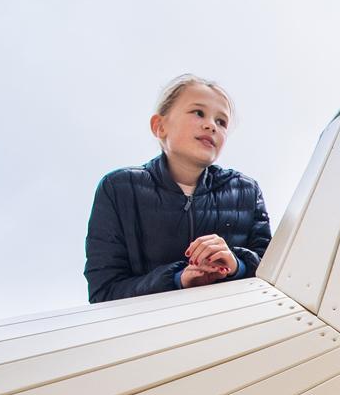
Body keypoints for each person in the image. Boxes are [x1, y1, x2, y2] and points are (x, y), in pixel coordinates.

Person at [84, 74, 271, 302]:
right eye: (198, 113)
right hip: (155, 334)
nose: (211, 125)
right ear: (160, 126)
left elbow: (274, 277)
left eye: (221, 122)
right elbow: (104, 292)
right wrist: (177, 280)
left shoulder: (246, 192)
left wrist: (237, 265)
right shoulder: (118, 189)